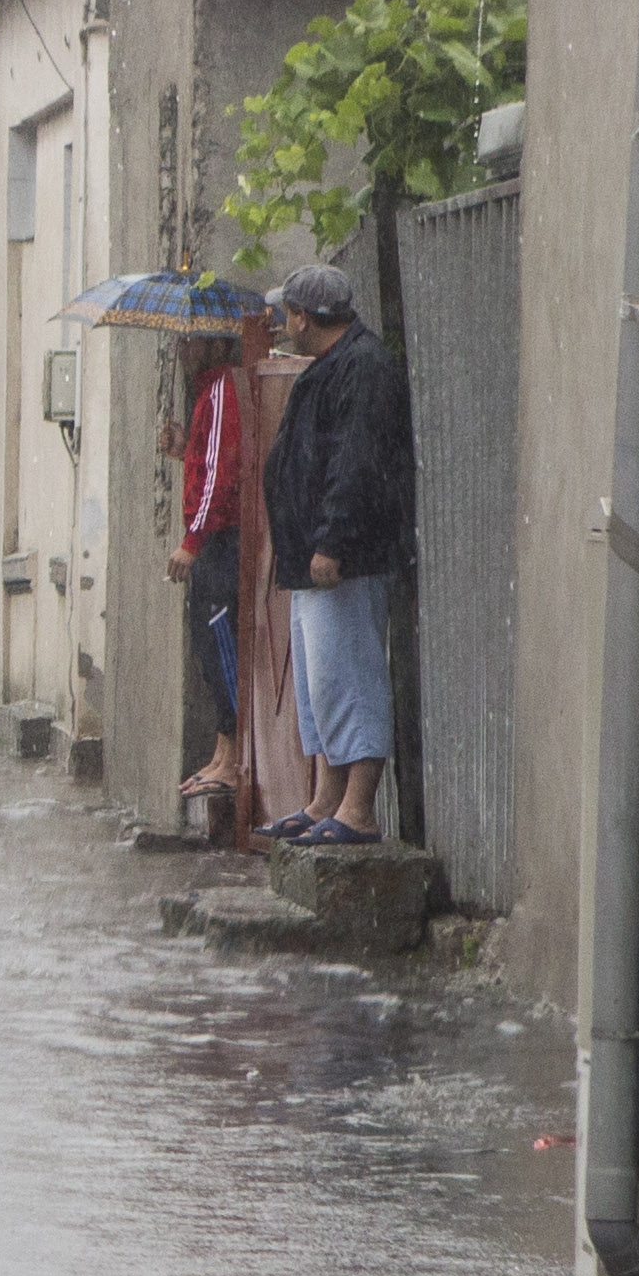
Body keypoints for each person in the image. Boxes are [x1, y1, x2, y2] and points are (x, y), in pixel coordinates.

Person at [255, 263, 414, 847]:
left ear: (303, 316)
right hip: (313, 562)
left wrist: (332, 542)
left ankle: (358, 811)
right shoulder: (331, 367)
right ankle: (325, 799)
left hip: (343, 561)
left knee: (350, 677)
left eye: (286, 312)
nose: (282, 322)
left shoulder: (364, 368)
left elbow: (357, 464)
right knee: (320, 684)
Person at [161, 325, 252, 800]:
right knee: (206, 642)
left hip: (220, 539)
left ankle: (235, 757)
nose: (182, 350)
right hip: (212, 538)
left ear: (217, 345)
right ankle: (221, 754)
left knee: (221, 644)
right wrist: (184, 449)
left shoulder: (220, 391)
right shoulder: (206, 396)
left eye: (191, 341)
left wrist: (192, 541)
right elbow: (207, 463)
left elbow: (222, 475)